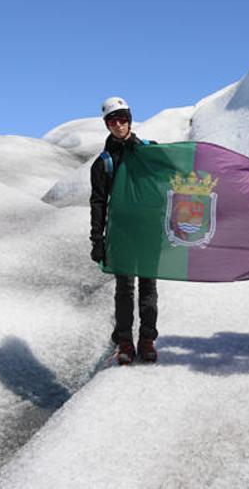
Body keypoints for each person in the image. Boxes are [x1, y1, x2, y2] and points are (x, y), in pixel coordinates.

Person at [89, 96, 159, 365]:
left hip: (149, 231)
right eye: (112, 121)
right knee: (125, 288)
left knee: (149, 287)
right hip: (122, 234)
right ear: (106, 125)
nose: (119, 125)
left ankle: (147, 339)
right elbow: (98, 204)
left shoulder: (148, 152)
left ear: (130, 118)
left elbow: (168, 186)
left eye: (123, 119)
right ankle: (126, 341)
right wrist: (98, 240)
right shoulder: (103, 163)